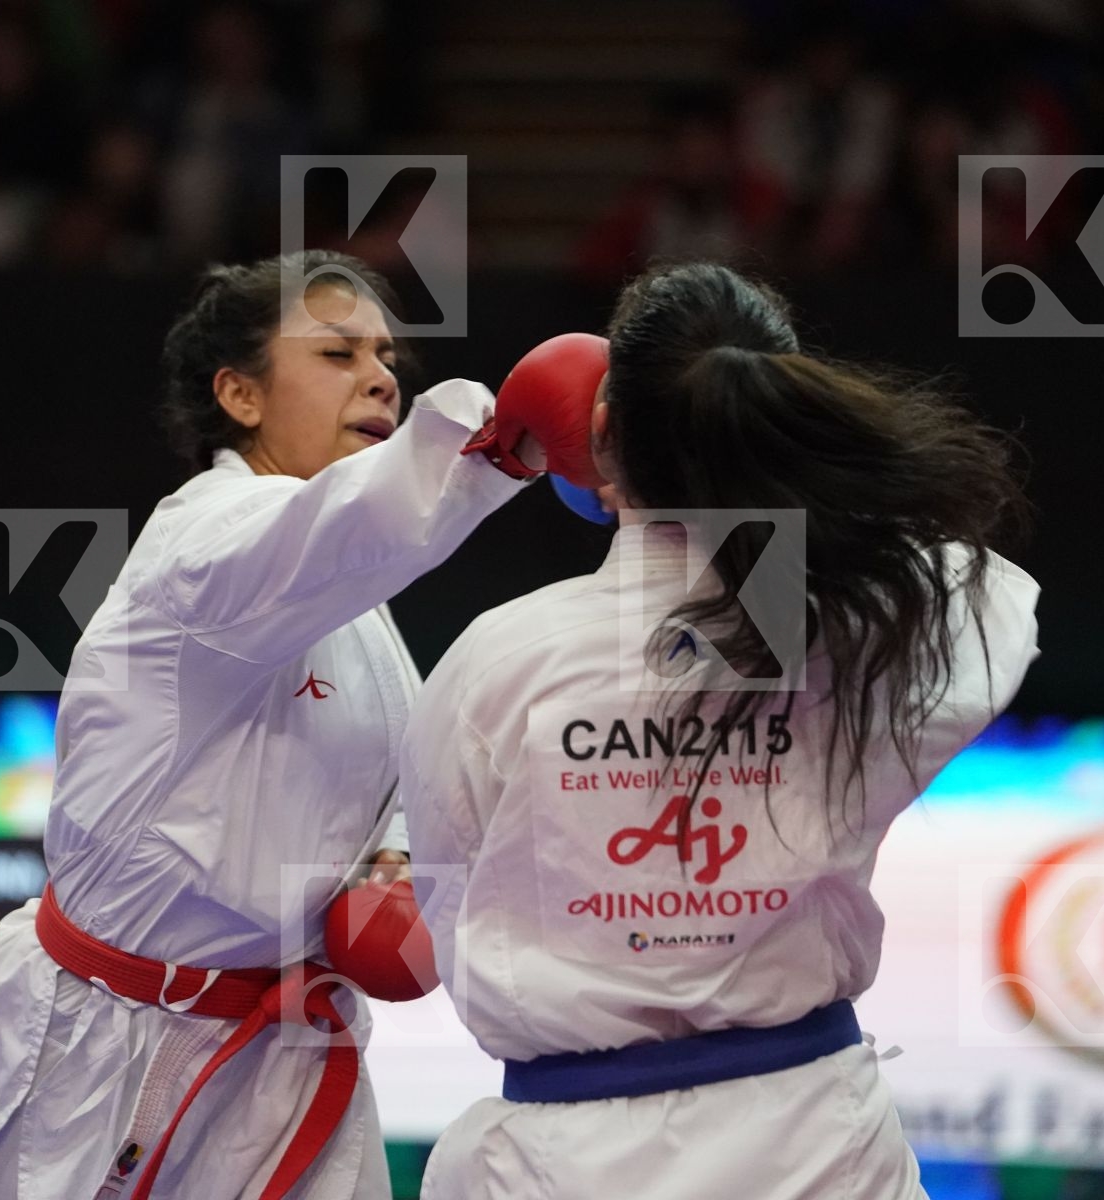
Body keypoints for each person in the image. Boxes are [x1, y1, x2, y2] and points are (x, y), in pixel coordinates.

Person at [0, 249, 592, 1200]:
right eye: (339, 354)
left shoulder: (355, 595)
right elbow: (352, 525)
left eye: (387, 357)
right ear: (241, 395)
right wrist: (504, 445)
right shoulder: (212, 540)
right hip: (112, 1050)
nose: (383, 376)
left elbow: (392, 769)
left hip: (286, 1045)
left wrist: (390, 863)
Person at [403, 262, 1041, 1199]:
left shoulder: (498, 660)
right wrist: (787, 495)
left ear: (601, 438)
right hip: (824, 1151)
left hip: (561, 1164)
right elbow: (991, 592)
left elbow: (451, 896)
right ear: (779, 425)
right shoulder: (862, 634)